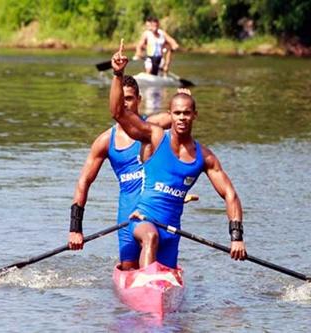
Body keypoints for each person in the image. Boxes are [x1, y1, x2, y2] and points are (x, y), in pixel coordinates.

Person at [110, 41, 246, 269]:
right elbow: (118, 113)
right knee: (151, 238)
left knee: (167, 274)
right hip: (143, 222)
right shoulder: (155, 137)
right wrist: (117, 74)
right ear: (170, 115)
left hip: (172, 233)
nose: (182, 118)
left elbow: (230, 194)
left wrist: (237, 237)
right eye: (177, 113)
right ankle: (145, 285)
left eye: (186, 113)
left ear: (195, 116)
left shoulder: (206, 157)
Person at [68, 75, 197, 270]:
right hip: (127, 214)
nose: (124, 103)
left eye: (128, 98)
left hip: (157, 213)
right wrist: (75, 229)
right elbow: (84, 182)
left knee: (160, 263)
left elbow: (180, 117)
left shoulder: (154, 127)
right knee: (129, 268)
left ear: (139, 100)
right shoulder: (104, 141)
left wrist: (182, 97)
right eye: (121, 99)